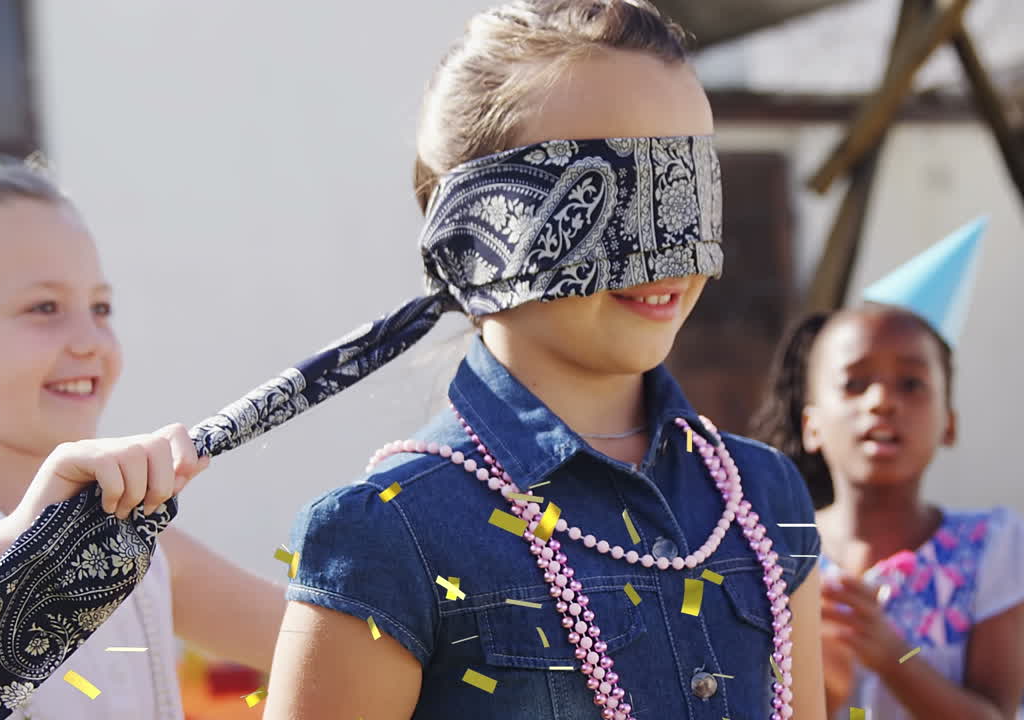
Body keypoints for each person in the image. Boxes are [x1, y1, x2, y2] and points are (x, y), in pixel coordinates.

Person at [259, 1, 827, 718]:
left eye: (688, 183)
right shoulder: (385, 535)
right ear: (479, 224)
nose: (665, 243)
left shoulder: (765, 500)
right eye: (611, 187)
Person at [0, 11, 283, 719]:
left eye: (100, 307)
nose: (91, 339)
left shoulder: (142, 548)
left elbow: (321, 642)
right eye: (43, 309)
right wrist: (23, 537)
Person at [751, 221, 1024, 719]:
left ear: (949, 424)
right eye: (854, 383)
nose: (882, 402)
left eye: (912, 384)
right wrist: (824, 685)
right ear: (811, 425)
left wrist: (892, 656)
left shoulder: (992, 549)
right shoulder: (771, 552)